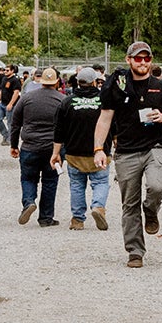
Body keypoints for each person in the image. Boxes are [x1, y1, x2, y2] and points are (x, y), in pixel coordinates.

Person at [92, 41, 162, 268]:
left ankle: (151, 211)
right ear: (129, 60)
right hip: (126, 151)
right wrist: (99, 149)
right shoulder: (117, 87)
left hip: (155, 146)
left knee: (157, 186)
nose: (142, 62)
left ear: (151, 60)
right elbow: (104, 118)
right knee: (129, 204)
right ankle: (135, 251)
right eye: (138, 58)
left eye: (146, 58)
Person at [50, 65, 109, 232]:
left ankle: (77, 219)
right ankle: (98, 207)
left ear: (77, 82)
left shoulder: (66, 102)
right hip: (99, 151)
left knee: (76, 185)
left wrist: (56, 154)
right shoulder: (104, 102)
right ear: (94, 82)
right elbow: (115, 126)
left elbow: (58, 131)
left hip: (74, 152)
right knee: (101, 182)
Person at [9, 67, 67, 227]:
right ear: (56, 82)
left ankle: (28, 202)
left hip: (30, 147)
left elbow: (15, 123)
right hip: (53, 148)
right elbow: (67, 127)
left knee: (28, 178)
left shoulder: (27, 98)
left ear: (40, 80)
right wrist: (64, 150)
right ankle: (46, 218)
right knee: (50, 181)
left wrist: (14, 145)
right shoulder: (62, 100)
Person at [0, 64, 21, 145]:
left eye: (7, 70)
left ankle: (9, 139)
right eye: (5, 70)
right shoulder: (4, 79)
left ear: (12, 71)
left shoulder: (15, 80)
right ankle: (5, 135)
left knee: (10, 122)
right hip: (2, 104)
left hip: (10, 105)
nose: (5, 72)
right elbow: (2, 91)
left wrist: (11, 104)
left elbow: (16, 93)